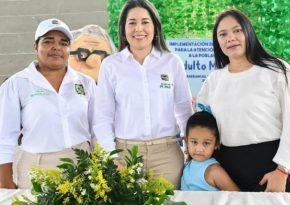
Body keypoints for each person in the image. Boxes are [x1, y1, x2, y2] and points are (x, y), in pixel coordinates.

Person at [196, 9, 290, 192]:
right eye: (223, 34)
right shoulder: (214, 80)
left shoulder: (278, 70)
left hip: (271, 167)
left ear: (248, 32)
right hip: (227, 172)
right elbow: (203, 124)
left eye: (237, 30)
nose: (230, 38)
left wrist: (283, 170)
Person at [93, 0, 193, 189]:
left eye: (145, 22)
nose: (139, 28)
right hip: (125, 153)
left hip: (167, 153)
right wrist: (111, 156)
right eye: (132, 23)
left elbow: (184, 111)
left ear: (155, 27)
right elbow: (102, 117)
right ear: (123, 29)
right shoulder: (111, 65)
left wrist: (191, 149)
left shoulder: (172, 62)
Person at [0, 18, 95, 189]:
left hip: (81, 163)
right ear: (36, 46)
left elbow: (97, 128)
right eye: (48, 41)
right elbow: (4, 136)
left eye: (63, 43)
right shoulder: (17, 83)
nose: (56, 47)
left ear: (69, 49)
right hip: (36, 167)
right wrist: (4, 180)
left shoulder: (86, 83)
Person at [181, 111, 240, 191]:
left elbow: (237, 195)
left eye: (206, 143)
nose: (199, 149)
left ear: (216, 144)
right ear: (186, 140)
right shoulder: (187, 166)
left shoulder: (214, 171)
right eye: (194, 142)